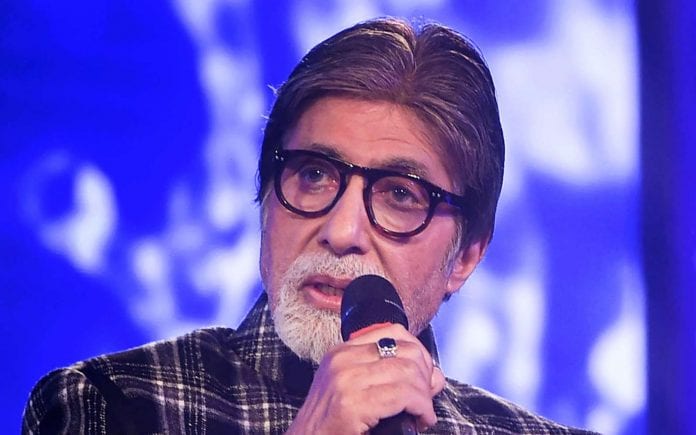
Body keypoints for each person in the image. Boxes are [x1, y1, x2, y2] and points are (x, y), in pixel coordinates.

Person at [23, 17, 597, 434]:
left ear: (466, 257)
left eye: (400, 195)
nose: (342, 231)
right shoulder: (111, 406)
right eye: (315, 175)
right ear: (264, 198)